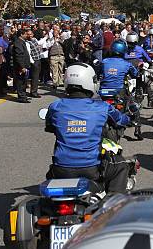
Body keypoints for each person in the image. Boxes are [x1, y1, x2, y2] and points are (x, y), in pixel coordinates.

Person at [45, 63, 132, 194]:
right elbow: (120, 120)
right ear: (89, 82)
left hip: (61, 169)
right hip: (92, 169)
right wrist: (129, 118)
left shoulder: (55, 106)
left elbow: (50, 126)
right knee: (121, 165)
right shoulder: (102, 107)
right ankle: (113, 203)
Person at [124, 33, 153, 108]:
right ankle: (150, 100)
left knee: (146, 80)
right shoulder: (139, 49)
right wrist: (150, 63)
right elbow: (148, 58)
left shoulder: (124, 49)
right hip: (136, 71)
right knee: (147, 82)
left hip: (128, 72)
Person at [11, 29, 32, 103]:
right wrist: (22, 67)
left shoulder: (22, 42)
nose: (27, 35)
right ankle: (21, 97)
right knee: (20, 82)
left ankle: (24, 95)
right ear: (21, 35)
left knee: (24, 82)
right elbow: (19, 56)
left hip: (25, 65)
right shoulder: (18, 43)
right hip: (20, 67)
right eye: (26, 34)